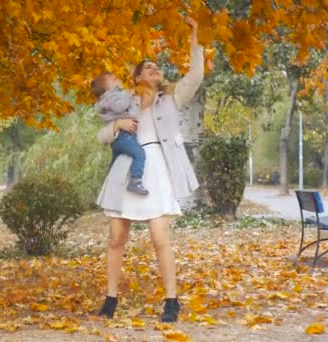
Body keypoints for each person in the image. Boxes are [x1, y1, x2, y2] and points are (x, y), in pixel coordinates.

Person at [95, 17, 204, 323]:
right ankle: (110, 299)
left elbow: (195, 75)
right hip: (125, 169)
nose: (156, 70)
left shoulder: (170, 98)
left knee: (160, 238)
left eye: (158, 67)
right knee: (116, 238)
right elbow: (102, 136)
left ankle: (171, 301)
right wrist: (116, 125)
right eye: (149, 67)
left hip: (157, 171)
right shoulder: (123, 101)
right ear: (137, 75)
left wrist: (196, 37)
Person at [91, 72, 149, 195]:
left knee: (115, 162)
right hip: (124, 135)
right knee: (139, 154)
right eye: (114, 79)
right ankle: (135, 180)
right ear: (108, 87)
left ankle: (109, 183)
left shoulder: (106, 99)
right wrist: (129, 92)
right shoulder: (112, 95)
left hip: (117, 139)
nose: (118, 79)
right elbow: (120, 106)